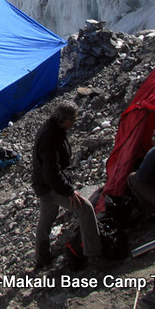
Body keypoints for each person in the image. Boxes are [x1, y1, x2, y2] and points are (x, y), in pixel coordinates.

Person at [32, 102, 103, 270]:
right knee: (85, 208)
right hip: (50, 186)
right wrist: (69, 191)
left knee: (46, 219)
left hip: (43, 184)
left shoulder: (52, 130)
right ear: (66, 120)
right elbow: (52, 172)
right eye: (73, 120)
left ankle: (42, 258)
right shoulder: (51, 138)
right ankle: (93, 255)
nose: (74, 123)